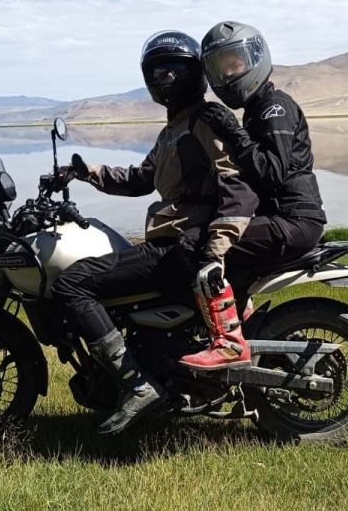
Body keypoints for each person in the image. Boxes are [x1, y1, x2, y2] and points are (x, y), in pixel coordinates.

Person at [50, 30, 258, 435]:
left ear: (196, 72)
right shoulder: (174, 130)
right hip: (173, 241)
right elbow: (141, 178)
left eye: (176, 69)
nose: (168, 77)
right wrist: (85, 172)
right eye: (160, 70)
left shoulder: (204, 121)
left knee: (71, 284)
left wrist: (217, 247)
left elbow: (236, 184)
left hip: (182, 245)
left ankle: (136, 385)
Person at [192, 21, 328, 290]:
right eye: (221, 68)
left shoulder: (274, 107)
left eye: (235, 65)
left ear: (255, 59)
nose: (228, 74)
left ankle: (219, 318)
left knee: (197, 243)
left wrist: (232, 130)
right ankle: (242, 309)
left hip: (294, 221)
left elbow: (270, 173)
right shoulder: (256, 110)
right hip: (284, 219)